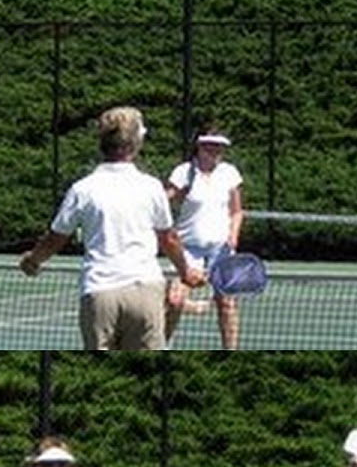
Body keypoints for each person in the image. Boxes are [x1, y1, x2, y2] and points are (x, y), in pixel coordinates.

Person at [19, 106, 205, 350]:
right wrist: (186, 271)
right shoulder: (150, 187)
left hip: (100, 293)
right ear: (136, 143)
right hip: (145, 293)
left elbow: (55, 238)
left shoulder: (83, 189)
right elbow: (168, 238)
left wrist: (33, 261)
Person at [163, 127, 244, 349]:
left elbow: (237, 211)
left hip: (221, 249)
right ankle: (161, 345)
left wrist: (233, 236)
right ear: (199, 146)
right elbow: (162, 203)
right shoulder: (183, 172)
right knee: (175, 300)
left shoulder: (230, 173)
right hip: (188, 248)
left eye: (219, 146)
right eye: (210, 145)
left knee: (226, 303)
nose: (215, 150)